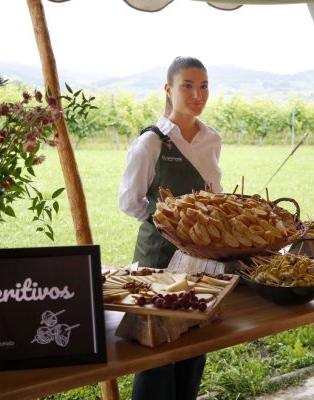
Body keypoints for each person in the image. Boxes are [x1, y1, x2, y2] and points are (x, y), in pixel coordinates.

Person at [118, 56, 222, 400]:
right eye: (187, 86)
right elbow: (130, 201)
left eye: (203, 86)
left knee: (193, 347)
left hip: (200, 262)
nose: (198, 94)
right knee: (156, 353)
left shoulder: (212, 139)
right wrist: (171, 224)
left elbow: (214, 195)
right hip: (157, 261)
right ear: (169, 89)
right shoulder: (152, 142)